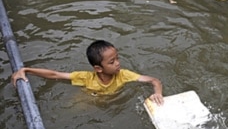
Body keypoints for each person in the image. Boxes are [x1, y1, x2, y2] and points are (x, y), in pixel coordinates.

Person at [12, 40, 164, 105]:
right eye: (111, 62)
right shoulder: (85, 78)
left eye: (117, 58)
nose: (117, 63)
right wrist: (26, 70)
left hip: (112, 104)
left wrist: (157, 93)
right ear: (98, 68)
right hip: (87, 101)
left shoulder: (124, 75)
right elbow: (56, 75)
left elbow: (154, 80)